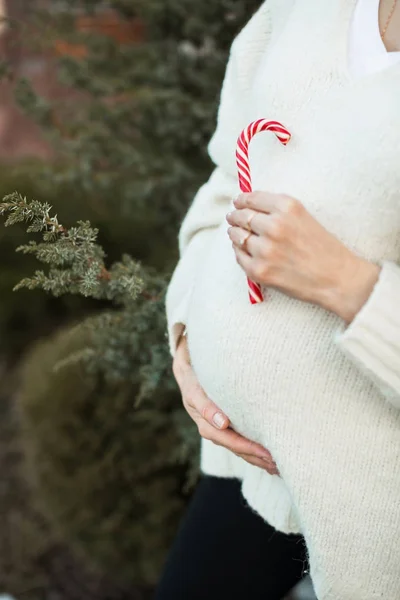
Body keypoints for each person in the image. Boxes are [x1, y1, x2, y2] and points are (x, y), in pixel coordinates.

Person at [159, 0, 400, 598]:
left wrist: (344, 283)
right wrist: (186, 334)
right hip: (248, 468)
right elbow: (223, 181)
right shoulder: (297, 11)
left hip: (374, 510)